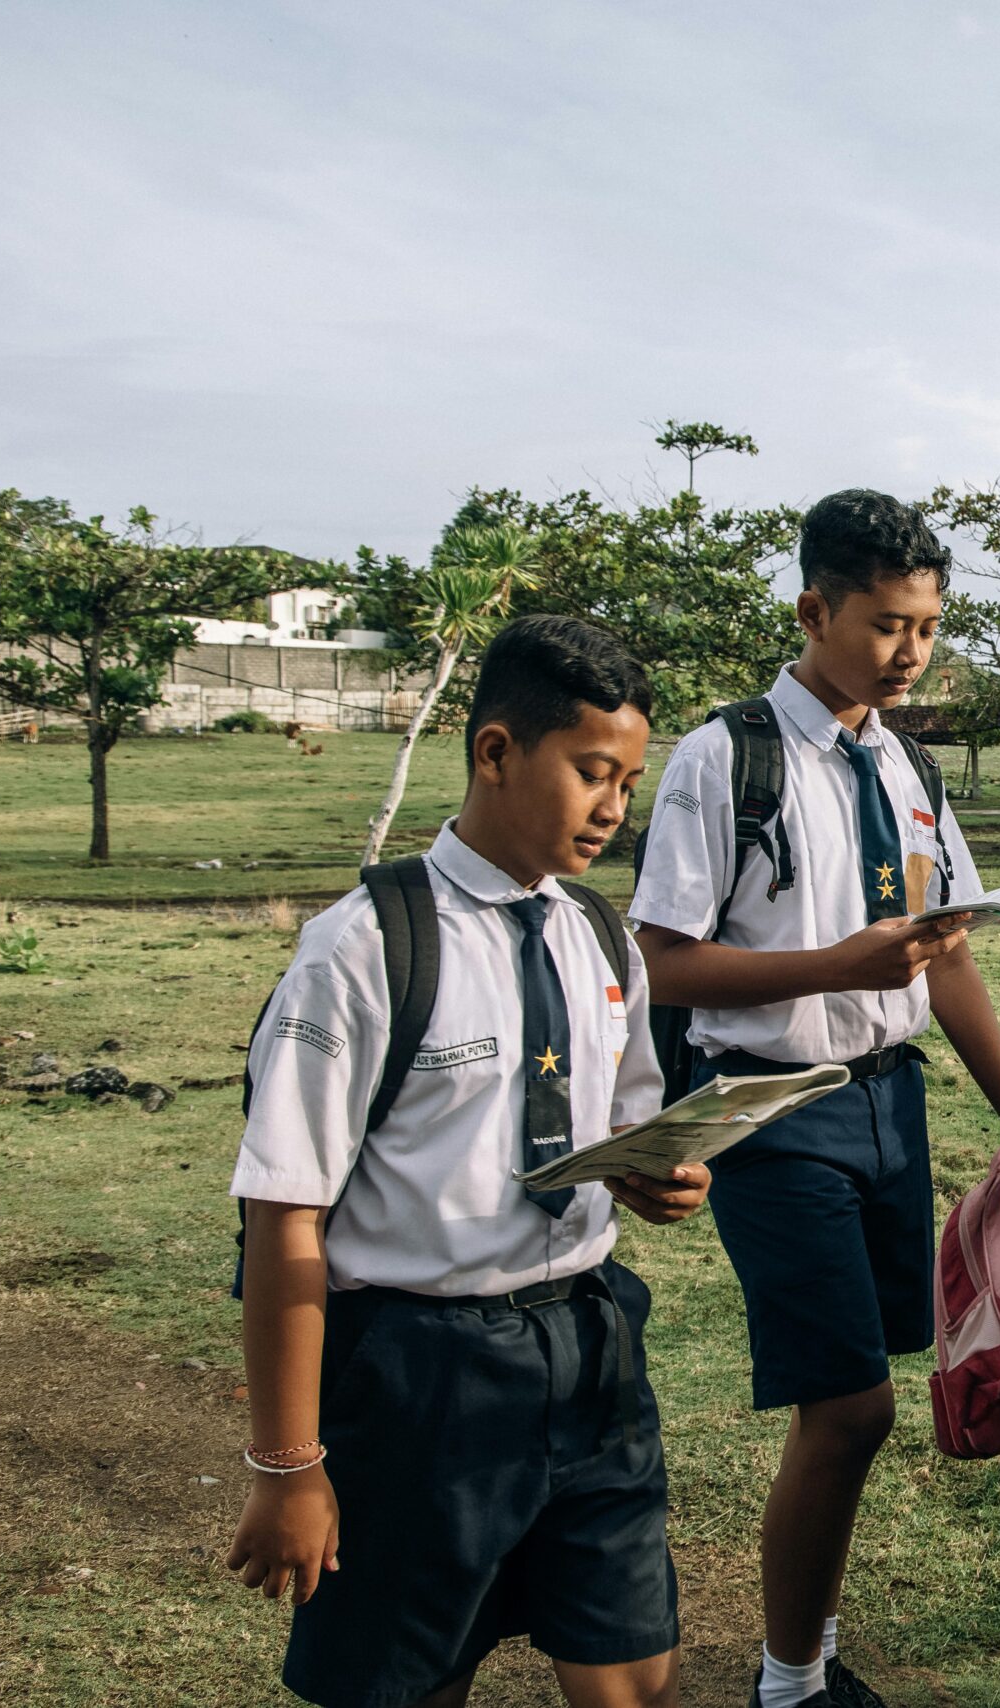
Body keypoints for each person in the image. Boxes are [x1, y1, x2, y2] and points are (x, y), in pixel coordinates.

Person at [226, 614, 706, 1708]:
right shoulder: (364, 947)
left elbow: (622, 1124)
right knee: (410, 1680)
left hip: (589, 1345)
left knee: (634, 1669)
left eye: (630, 782)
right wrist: (288, 1465)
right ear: (495, 752)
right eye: (592, 772)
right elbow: (284, 1216)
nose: (614, 807)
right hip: (420, 1374)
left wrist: (658, 1174)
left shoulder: (599, 936)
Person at [629, 489, 1000, 1708]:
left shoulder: (906, 761)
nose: (911, 653)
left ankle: (805, 1654)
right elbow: (662, 960)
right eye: (887, 625)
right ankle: (790, 1680)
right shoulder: (725, 757)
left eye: (928, 628)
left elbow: (945, 954)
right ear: (813, 609)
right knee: (849, 1407)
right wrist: (833, 965)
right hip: (771, 1108)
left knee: (860, 1403)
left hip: (889, 1104)